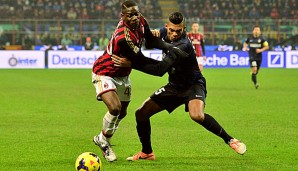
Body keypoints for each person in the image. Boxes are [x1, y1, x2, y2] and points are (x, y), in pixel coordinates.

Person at [113, 12, 247, 161]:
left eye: (179, 30)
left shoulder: (184, 45)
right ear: (166, 26)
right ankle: (147, 153)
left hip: (193, 85)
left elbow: (159, 70)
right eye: (171, 30)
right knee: (141, 113)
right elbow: (149, 42)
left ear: (184, 28)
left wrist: (133, 63)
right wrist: (148, 33)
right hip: (175, 86)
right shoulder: (164, 32)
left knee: (196, 115)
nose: (175, 33)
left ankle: (230, 140)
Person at [91, 0, 187, 162]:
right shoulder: (123, 37)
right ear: (123, 17)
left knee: (122, 112)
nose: (135, 17)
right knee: (115, 108)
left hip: (123, 75)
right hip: (105, 72)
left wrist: (170, 48)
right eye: (131, 15)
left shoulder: (141, 20)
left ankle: (103, 138)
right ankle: (103, 141)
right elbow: (140, 60)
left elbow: (151, 40)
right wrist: (167, 62)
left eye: (136, 13)